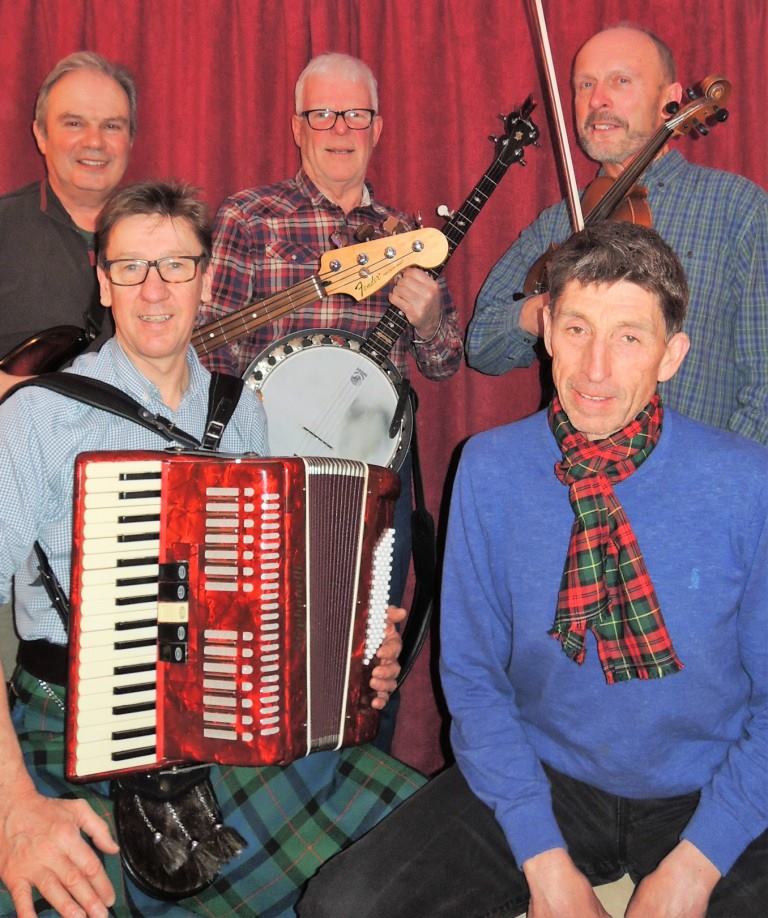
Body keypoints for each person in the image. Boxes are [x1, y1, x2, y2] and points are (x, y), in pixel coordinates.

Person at [298, 222, 768, 918]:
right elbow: (474, 679)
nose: (596, 369)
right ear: (546, 330)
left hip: (710, 781)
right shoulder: (489, 468)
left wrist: (697, 867)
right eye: (577, 330)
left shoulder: (746, 480)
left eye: (629, 338)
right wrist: (543, 859)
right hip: (545, 775)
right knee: (341, 906)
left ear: (671, 355)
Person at [0, 181, 423, 918]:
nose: (154, 289)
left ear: (205, 276)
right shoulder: (37, 418)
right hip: (71, 719)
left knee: (419, 844)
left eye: (176, 265)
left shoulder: (243, 411)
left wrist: (355, 651)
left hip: (221, 716)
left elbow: (262, 602)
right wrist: (14, 808)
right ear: (103, 281)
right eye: (131, 267)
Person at [197, 51, 463, 605]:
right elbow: (209, 353)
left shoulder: (407, 236)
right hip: (268, 468)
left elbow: (443, 364)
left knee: (370, 639)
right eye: (322, 114)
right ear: (298, 128)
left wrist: (431, 320)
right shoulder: (249, 216)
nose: (340, 130)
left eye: (356, 115)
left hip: (374, 472)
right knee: (262, 628)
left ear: (377, 129)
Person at [466, 25, 768, 445]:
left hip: (692, 472)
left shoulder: (738, 208)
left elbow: (764, 386)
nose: (597, 100)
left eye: (621, 81)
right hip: (572, 470)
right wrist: (548, 308)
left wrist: (719, 474)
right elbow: (481, 344)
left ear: (670, 99)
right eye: (585, 85)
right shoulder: (560, 221)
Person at [0, 51, 135, 396]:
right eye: (74, 123)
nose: (95, 142)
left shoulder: (164, 237)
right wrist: (40, 397)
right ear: (41, 135)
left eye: (112, 126)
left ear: (130, 140)